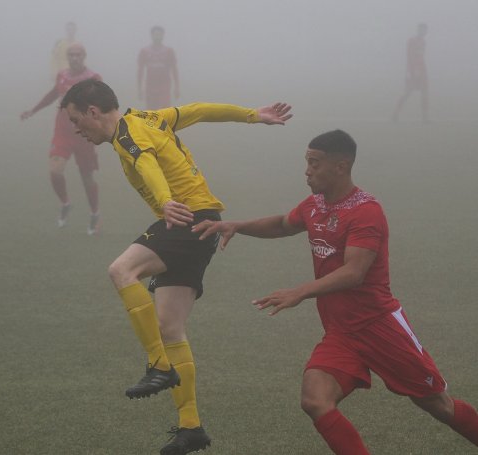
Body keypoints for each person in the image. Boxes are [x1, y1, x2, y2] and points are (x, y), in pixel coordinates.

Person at [193, 129, 478, 454]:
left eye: (315, 163)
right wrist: (238, 226)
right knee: (315, 399)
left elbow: (354, 273)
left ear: (340, 167)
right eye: (307, 162)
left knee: (439, 406)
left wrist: (301, 291)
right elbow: (284, 224)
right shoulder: (315, 205)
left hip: (380, 327)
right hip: (342, 333)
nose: (307, 171)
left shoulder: (366, 211)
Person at [59, 78, 293, 455]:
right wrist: (253, 116)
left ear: (93, 112)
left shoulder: (126, 134)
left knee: (122, 271)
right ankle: (191, 428)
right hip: (204, 223)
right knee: (170, 327)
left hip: (186, 218)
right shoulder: (150, 118)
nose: (76, 129)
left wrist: (167, 201)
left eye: (76, 120)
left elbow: (146, 161)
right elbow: (199, 110)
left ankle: (158, 365)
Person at [21, 43, 101, 233]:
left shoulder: (93, 78)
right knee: (55, 170)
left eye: (78, 55)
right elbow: (52, 94)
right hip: (63, 132)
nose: (75, 58)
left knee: (86, 177)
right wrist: (33, 110)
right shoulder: (62, 76)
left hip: (84, 135)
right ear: (68, 57)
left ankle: (95, 214)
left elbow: (103, 104)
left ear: (84, 56)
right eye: (71, 55)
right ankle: (65, 203)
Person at [392, 23, 429, 123]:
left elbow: (421, 57)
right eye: (422, 30)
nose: (424, 32)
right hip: (413, 71)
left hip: (422, 70)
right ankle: (395, 114)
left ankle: (425, 117)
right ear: (418, 30)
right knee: (407, 93)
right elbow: (410, 56)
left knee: (424, 93)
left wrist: (422, 70)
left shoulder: (423, 42)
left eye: (425, 30)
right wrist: (412, 71)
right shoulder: (412, 41)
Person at [137, 26, 179, 110]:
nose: (157, 36)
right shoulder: (144, 51)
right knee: (151, 112)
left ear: (163, 36)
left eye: (160, 34)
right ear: (151, 35)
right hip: (150, 86)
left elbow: (174, 70)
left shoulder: (169, 51)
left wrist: (177, 87)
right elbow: (140, 71)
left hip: (164, 86)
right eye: (155, 34)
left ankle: (166, 123)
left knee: (165, 110)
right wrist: (139, 89)